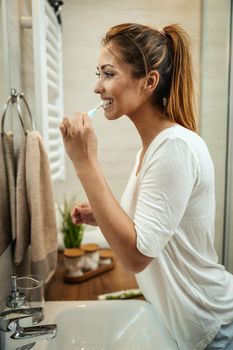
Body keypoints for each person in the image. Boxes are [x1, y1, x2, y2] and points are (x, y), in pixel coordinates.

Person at [59, 23, 233, 350]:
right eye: (98, 73)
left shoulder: (175, 148)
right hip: (188, 324)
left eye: (108, 74)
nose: (97, 86)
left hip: (214, 327)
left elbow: (137, 256)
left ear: (149, 82)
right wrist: (102, 215)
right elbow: (152, 228)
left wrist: (84, 161)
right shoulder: (151, 148)